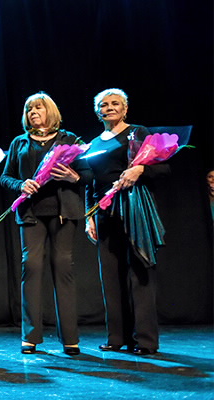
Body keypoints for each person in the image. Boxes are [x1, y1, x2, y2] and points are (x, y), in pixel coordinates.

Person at [0, 92, 92, 355]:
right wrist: (21, 184)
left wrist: (73, 177)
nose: (33, 113)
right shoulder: (19, 142)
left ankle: (70, 338)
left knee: (63, 268)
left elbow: (88, 175)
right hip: (31, 214)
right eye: (29, 109)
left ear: (50, 111)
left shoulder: (70, 139)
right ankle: (30, 336)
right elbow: (5, 177)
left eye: (38, 108)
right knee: (31, 267)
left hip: (64, 213)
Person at [85, 88, 169, 356]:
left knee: (140, 272)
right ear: (97, 111)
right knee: (111, 276)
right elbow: (91, 183)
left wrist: (141, 168)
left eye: (115, 103)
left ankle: (144, 340)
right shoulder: (93, 143)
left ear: (125, 108)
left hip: (133, 207)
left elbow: (164, 166)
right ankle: (116, 337)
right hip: (104, 211)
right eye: (104, 104)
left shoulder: (137, 133)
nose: (109, 107)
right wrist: (89, 216)